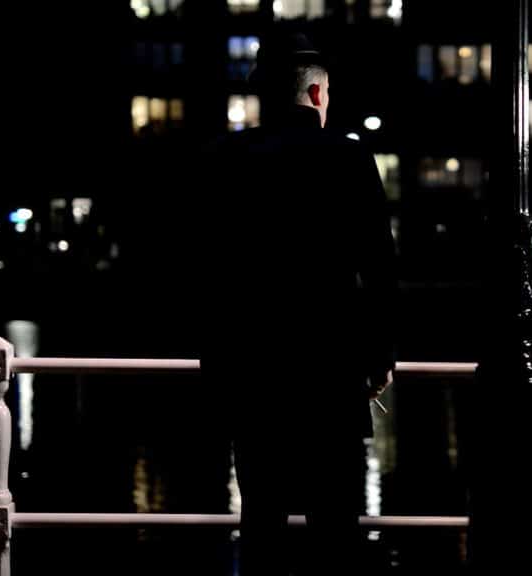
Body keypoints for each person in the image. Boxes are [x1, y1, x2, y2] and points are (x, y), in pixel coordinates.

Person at [198, 32, 397, 575]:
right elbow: (380, 269)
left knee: (261, 526)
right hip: (331, 377)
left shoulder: (224, 158)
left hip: (253, 378)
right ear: (315, 94)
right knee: (336, 529)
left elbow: (205, 272)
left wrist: (218, 366)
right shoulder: (349, 157)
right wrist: (379, 357)